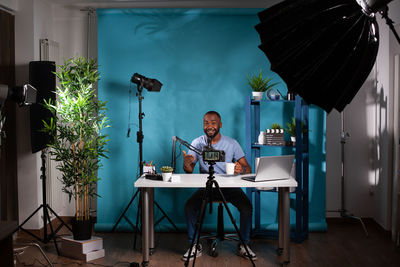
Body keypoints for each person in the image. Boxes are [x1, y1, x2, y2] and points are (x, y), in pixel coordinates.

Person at [181, 110, 257, 262]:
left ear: (220, 125)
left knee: (247, 207)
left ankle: (244, 245)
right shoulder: (197, 143)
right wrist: (186, 164)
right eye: (206, 123)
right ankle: (194, 245)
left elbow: (247, 168)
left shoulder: (232, 143)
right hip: (206, 187)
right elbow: (188, 170)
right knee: (190, 206)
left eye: (213, 123)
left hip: (229, 188)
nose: (209, 126)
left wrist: (240, 169)